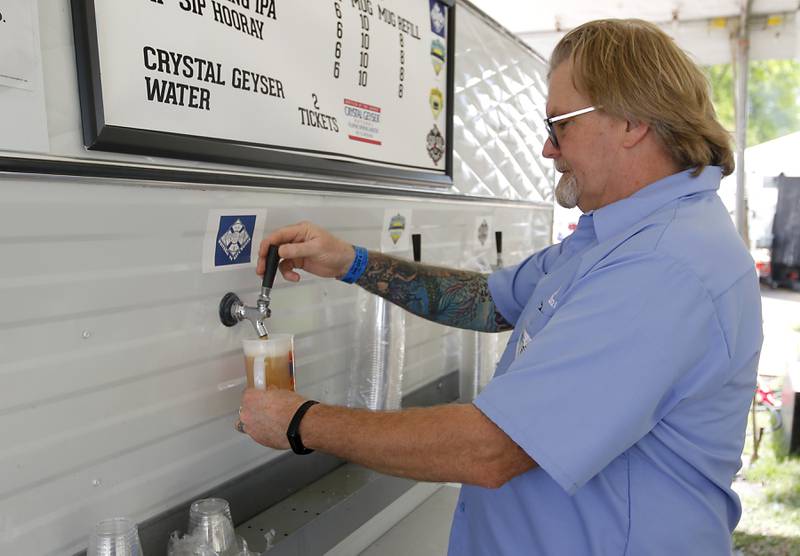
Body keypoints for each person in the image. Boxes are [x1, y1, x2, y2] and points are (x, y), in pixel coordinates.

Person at [236, 19, 763, 555]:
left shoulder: (661, 267)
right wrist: (352, 263)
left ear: (631, 122)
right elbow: (489, 302)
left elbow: (492, 449)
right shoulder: (619, 232)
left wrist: (302, 422)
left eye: (560, 125)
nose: (546, 148)